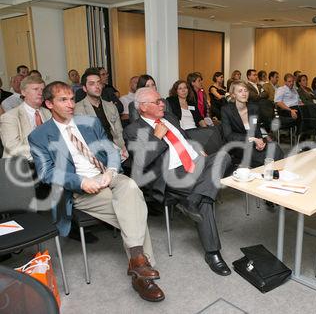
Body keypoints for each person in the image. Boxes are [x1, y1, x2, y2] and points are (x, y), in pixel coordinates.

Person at [28, 81, 164, 302]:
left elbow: (110, 148)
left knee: (129, 186)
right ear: (49, 104)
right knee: (132, 207)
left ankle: (138, 262)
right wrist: (81, 182)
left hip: (107, 175)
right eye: (63, 100)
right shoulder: (40, 136)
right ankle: (143, 273)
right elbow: (46, 173)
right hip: (80, 188)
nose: (71, 104)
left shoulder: (89, 122)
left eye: (72, 99)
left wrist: (111, 170)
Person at [124, 87, 232, 276]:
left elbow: (185, 137)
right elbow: (141, 162)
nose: (162, 104)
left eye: (161, 100)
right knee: (205, 199)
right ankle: (213, 252)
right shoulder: (133, 130)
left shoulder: (170, 118)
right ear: (142, 107)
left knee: (223, 156)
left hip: (196, 162)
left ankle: (193, 200)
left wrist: (197, 150)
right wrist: (156, 136)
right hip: (171, 174)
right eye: (157, 102)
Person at [221, 80, 284, 167]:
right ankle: (269, 173)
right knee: (264, 157)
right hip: (238, 145)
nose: (244, 93)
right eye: (240, 91)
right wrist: (252, 139)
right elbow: (229, 135)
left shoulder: (254, 108)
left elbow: (257, 129)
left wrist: (260, 142)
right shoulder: (226, 110)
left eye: (246, 90)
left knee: (276, 148)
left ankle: (274, 173)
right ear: (233, 95)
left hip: (255, 143)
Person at [74, 69, 127, 161]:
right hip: (94, 154)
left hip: (115, 150)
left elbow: (118, 131)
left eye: (99, 83)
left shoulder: (110, 106)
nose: (97, 86)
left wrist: (122, 147)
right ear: (84, 88)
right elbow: (85, 138)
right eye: (92, 84)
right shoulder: (78, 109)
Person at [0, 75, 50, 159]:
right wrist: (44, 155)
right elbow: (13, 147)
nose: (40, 93)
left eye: (42, 89)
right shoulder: (10, 117)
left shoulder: (47, 112)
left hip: (47, 164)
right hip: (19, 166)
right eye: (35, 89)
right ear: (23, 92)